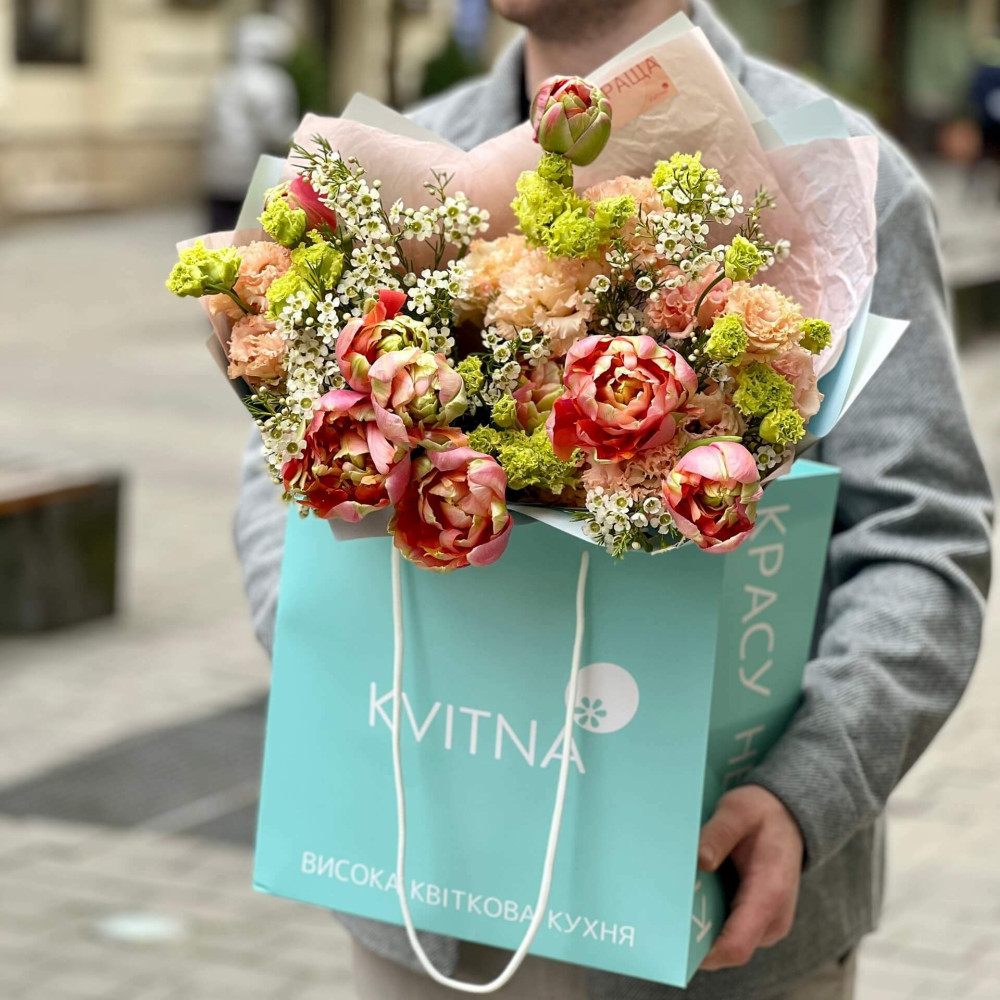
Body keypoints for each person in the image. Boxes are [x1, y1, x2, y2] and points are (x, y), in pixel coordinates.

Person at [234, 1, 994, 997]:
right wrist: (328, 648)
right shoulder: (393, 163)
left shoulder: (834, 171)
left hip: (715, 908)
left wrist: (807, 789)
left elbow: (922, 539)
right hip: (428, 893)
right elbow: (277, 469)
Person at [202, 13, 299, 232]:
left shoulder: (224, 75)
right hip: (253, 172)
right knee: (249, 236)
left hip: (216, 170)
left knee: (217, 234)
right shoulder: (272, 81)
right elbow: (276, 131)